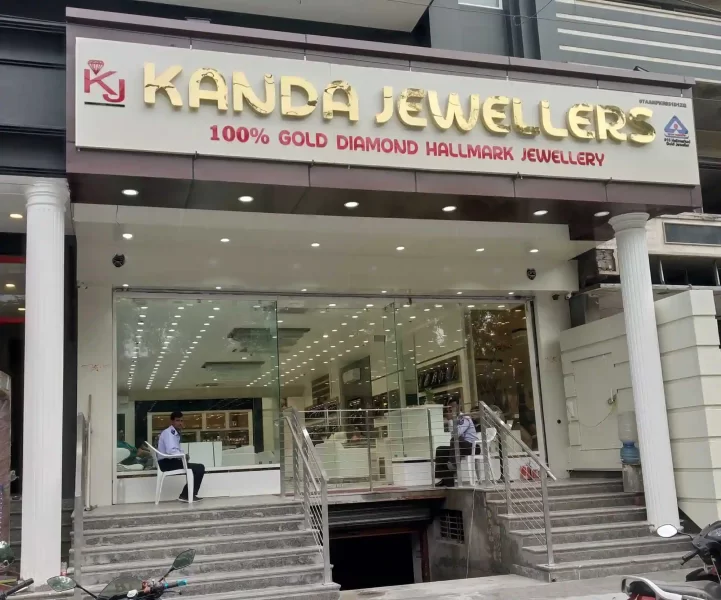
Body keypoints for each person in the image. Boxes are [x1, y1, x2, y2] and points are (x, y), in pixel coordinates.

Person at [157, 411, 205, 503]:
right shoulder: (168, 433)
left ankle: (186, 495)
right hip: (166, 463)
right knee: (199, 468)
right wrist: (182, 456)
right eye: (177, 420)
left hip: (170, 461)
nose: (180, 423)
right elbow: (171, 451)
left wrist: (183, 455)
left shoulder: (174, 433)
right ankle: (186, 495)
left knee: (196, 468)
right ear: (172, 422)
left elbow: (175, 449)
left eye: (181, 421)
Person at [434, 400, 480, 487]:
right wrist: (451, 420)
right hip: (459, 447)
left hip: (472, 446)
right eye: (449, 409)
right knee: (440, 450)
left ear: (459, 407)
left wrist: (451, 420)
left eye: (453, 407)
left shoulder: (465, 418)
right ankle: (447, 480)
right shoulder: (455, 419)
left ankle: (453, 464)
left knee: (455, 440)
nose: (451, 410)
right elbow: (453, 434)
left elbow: (456, 434)